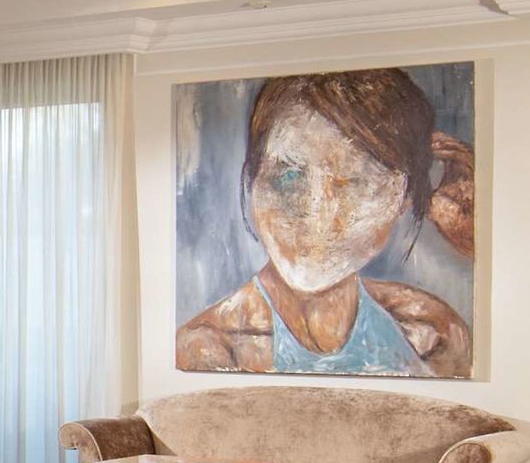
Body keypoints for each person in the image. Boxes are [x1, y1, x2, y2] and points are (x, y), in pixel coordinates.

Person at [177, 69, 472, 376]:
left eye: (355, 183)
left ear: (404, 197)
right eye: (289, 176)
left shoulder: (431, 334)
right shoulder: (208, 349)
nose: (317, 215)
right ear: (253, 181)